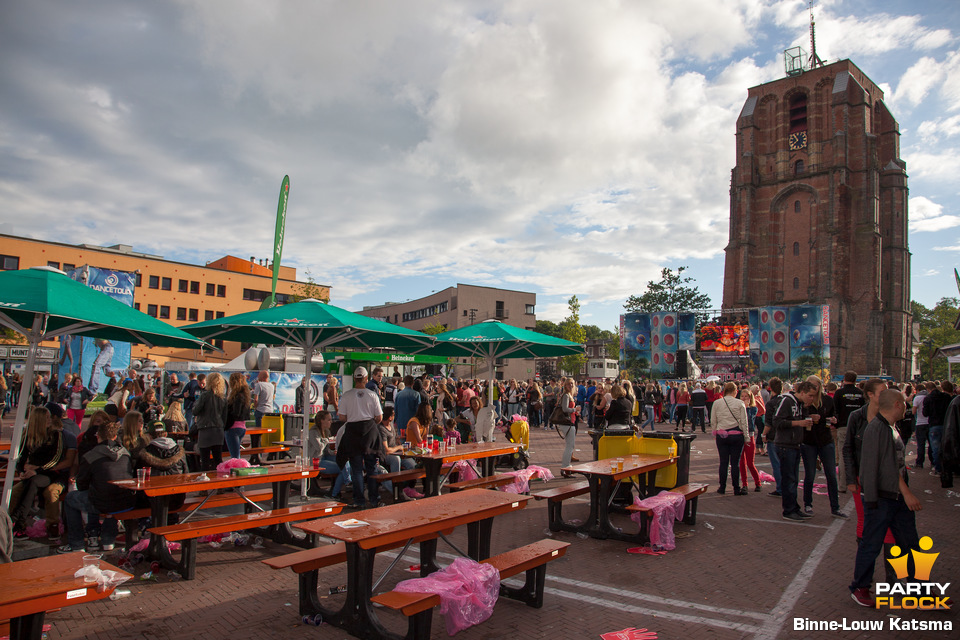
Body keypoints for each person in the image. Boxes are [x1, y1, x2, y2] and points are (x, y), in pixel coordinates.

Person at [848, 389, 922, 608]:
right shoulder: (878, 428)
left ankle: (919, 587)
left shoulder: (887, 427)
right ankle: (860, 587)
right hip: (883, 497)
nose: (907, 407)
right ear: (898, 404)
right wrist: (906, 493)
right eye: (905, 404)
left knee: (910, 544)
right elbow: (886, 466)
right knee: (872, 544)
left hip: (891, 496)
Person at [58, 421, 135, 553]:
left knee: (71, 499)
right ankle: (108, 540)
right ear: (115, 437)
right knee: (110, 495)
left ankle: (76, 544)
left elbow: (82, 484)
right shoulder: (126, 454)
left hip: (103, 502)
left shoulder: (91, 455)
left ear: (98, 436)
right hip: (126, 501)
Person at [8, 407, 68, 537]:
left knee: (33, 482)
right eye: (46, 418)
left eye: (49, 417)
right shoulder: (28, 435)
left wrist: (37, 470)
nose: (49, 420)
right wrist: (21, 471)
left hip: (50, 473)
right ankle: (14, 522)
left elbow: (55, 460)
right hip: (31, 476)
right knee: (16, 490)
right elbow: (21, 457)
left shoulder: (56, 435)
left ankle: (17, 521)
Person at [336, 367, 385, 509]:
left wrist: (353, 417)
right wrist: (370, 423)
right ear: (365, 378)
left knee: (356, 468)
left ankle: (359, 500)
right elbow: (379, 417)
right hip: (369, 431)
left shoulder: (347, 395)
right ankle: (374, 498)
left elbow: (342, 417)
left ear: (354, 378)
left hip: (353, 432)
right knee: (371, 467)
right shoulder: (372, 395)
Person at [800, 375, 845, 518]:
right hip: (809, 441)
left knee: (831, 474)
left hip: (825, 440)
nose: (814, 388)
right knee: (810, 475)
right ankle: (808, 504)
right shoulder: (805, 401)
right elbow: (798, 418)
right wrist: (809, 418)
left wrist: (834, 419)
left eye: (816, 385)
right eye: (811, 385)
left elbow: (835, 416)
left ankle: (835, 507)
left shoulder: (827, 400)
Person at [774, 380, 818, 521]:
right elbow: (777, 421)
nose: (811, 398)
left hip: (794, 444)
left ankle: (794, 507)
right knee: (789, 479)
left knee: (793, 478)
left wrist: (809, 417)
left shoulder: (799, 404)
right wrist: (799, 423)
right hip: (785, 445)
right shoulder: (787, 401)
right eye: (810, 395)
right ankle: (789, 510)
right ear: (803, 392)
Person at [711, 382, 749, 496]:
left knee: (723, 462)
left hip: (722, 434)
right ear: (734, 391)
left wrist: (715, 433)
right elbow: (744, 422)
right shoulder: (740, 403)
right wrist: (746, 437)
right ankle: (736, 488)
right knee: (735, 463)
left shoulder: (717, 403)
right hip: (736, 434)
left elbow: (713, 420)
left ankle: (722, 487)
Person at [833, 371, 865, 489]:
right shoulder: (860, 393)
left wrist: (836, 423)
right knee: (858, 454)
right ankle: (858, 481)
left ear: (844, 379)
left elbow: (835, 409)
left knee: (842, 454)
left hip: (843, 426)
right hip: (858, 427)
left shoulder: (839, 392)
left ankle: (842, 485)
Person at [192, 372, 227, 471]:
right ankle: (220, 483)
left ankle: (205, 482)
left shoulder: (205, 395)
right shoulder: (223, 397)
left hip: (205, 428)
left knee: (205, 460)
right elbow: (225, 416)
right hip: (218, 429)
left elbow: (195, 411)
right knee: (218, 459)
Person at [923, 380, 954, 476]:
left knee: (936, 449)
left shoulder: (928, 398)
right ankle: (948, 468)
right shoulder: (946, 397)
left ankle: (938, 469)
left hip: (934, 425)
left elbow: (925, 413)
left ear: (928, 389)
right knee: (947, 447)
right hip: (946, 424)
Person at [762, 377, 785, 496]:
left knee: (776, 464)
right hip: (784, 435)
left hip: (773, 436)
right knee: (785, 463)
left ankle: (780, 488)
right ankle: (786, 487)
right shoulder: (785, 400)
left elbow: (768, 422)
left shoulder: (771, 403)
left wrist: (763, 434)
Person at [222, 372, 250, 460]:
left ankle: (236, 471)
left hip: (233, 427)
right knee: (236, 453)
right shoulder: (245, 395)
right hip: (242, 426)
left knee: (234, 456)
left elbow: (235, 413)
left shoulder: (237, 396)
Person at [739, 389, 762, 492]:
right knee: (741, 462)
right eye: (742, 396)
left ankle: (758, 483)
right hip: (740, 436)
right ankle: (744, 484)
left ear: (750, 398)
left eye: (746, 396)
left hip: (750, 436)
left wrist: (746, 406)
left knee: (750, 462)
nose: (743, 398)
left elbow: (749, 419)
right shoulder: (738, 407)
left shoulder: (753, 409)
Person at [251, 370, 275, 452]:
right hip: (270, 410)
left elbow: (256, 399)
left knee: (258, 432)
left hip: (260, 410)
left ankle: (258, 452)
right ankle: (267, 450)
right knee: (267, 432)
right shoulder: (272, 386)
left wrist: (255, 406)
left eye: (259, 375)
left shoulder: (259, 385)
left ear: (262, 377)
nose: (258, 376)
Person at [912, 381, 932, 469]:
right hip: (929, 422)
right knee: (931, 444)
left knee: (920, 444)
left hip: (920, 423)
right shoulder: (929, 397)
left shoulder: (917, 398)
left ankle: (919, 462)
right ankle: (933, 462)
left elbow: (913, 411)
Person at [394, 375, 420, 442]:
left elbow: (395, 409)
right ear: (413, 383)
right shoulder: (416, 394)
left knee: (402, 441)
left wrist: (396, 420)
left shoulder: (399, 394)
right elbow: (418, 410)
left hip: (401, 421)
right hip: (412, 422)